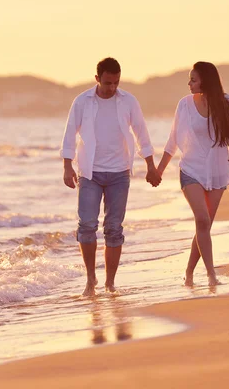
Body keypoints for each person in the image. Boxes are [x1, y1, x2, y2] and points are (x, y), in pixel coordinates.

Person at [60, 57, 161, 296]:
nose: (112, 88)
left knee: (114, 229)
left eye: (116, 82)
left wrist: (150, 166)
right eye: (107, 83)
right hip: (89, 173)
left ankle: (110, 282)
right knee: (86, 226)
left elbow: (141, 134)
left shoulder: (128, 101)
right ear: (97, 79)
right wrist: (67, 167)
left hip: (119, 173)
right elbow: (69, 135)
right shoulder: (82, 101)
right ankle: (90, 279)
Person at [157, 61, 229, 287]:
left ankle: (188, 273)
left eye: (193, 79)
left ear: (206, 80)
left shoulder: (226, 102)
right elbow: (173, 139)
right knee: (202, 220)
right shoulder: (184, 105)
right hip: (191, 170)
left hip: (217, 173)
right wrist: (159, 170)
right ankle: (212, 275)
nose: (189, 83)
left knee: (204, 227)